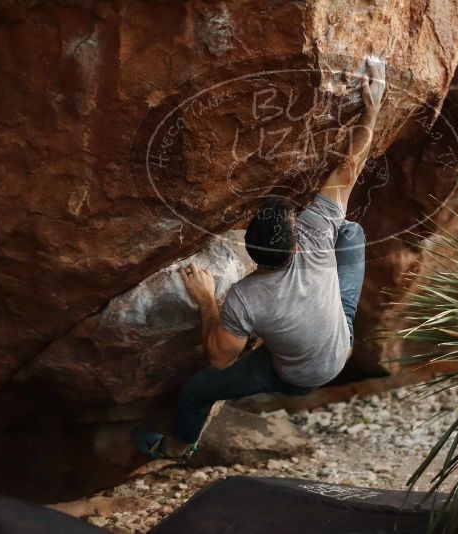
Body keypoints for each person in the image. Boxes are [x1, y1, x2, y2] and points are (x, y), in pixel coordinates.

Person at [133, 58, 386, 461]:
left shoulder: (245, 297)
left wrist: (206, 301)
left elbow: (219, 358)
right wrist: (372, 109)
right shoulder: (317, 231)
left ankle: (180, 444)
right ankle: (183, 446)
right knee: (351, 232)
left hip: (305, 370)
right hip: (336, 349)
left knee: (195, 392)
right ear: (296, 246)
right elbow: (349, 167)